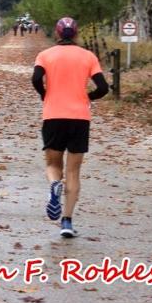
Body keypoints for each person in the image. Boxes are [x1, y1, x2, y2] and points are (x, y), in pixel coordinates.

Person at [31, 17, 109, 238]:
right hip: (79, 118)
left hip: (53, 115)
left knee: (53, 164)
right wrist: (88, 98)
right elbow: (103, 87)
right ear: (75, 34)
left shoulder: (45, 55)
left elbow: (36, 78)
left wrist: (45, 94)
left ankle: (55, 184)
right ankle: (66, 221)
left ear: (57, 34)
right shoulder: (88, 56)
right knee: (74, 171)